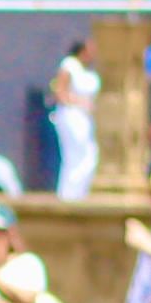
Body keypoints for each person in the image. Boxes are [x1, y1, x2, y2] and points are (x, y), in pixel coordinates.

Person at [49, 37, 104, 198]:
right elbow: (60, 92)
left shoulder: (87, 70)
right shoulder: (69, 65)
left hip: (85, 118)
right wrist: (80, 102)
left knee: (89, 155)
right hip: (71, 116)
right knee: (75, 155)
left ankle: (79, 192)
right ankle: (68, 194)